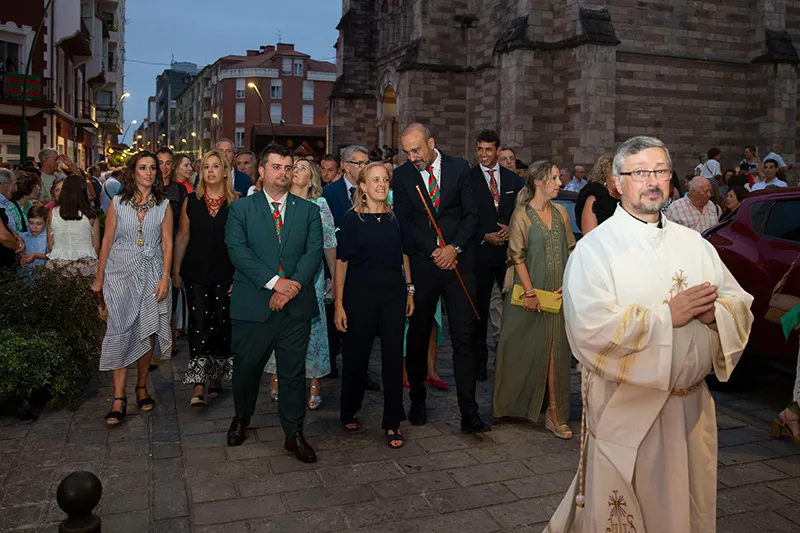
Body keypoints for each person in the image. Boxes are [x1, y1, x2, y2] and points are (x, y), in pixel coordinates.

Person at [544, 135, 754, 533]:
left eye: (659, 171)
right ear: (618, 183)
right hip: (627, 405)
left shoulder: (696, 245)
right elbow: (589, 329)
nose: (652, 180)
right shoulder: (596, 250)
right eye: (639, 173)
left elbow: (738, 303)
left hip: (690, 410)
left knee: (685, 511)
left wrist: (715, 316)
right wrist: (665, 317)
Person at [224, 144, 322, 464]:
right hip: (253, 306)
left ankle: (293, 434)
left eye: (288, 167)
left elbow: (313, 254)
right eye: (277, 167)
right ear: (262, 171)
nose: (284, 173)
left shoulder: (308, 210)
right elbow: (239, 252)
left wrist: (289, 289)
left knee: (293, 373)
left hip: (295, 307)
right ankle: (242, 416)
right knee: (247, 369)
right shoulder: (241, 209)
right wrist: (274, 283)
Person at [393, 122, 489, 433]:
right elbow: (406, 222)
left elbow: (471, 215)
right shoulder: (403, 175)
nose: (412, 157)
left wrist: (455, 248)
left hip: (460, 265)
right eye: (407, 152)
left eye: (417, 150)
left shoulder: (461, 168)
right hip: (425, 265)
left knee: (464, 337)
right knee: (419, 337)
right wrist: (433, 251)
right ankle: (418, 400)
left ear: (431, 142)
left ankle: (469, 412)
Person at [91, 151, 173, 425]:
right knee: (118, 329)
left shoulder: (164, 205)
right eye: (143, 168)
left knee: (146, 329)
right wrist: (100, 277)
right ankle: (118, 397)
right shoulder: (117, 203)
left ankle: (141, 387)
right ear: (133, 171)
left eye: (152, 168)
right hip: (120, 273)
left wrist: (165, 277)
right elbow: (106, 240)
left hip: (152, 272)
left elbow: (168, 244)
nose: (149, 172)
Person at [493, 160, 575, 438]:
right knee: (522, 350)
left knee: (556, 351)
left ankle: (555, 413)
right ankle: (514, 404)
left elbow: (572, 249)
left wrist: (569, 283)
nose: (559, 183)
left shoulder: (563, 212)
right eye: (553, 178)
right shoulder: (522, 216)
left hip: (558, 295)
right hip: (529, 293)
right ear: (538, 181)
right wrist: (529, 293)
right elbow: (516, 257)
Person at [334, 162, 413, 447]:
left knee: (393, 358)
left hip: (393, 295)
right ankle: (348, 409)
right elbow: (341, 264)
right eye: (375, 180)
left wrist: (410, 290)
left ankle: (393, 422)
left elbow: (404, 256)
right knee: (357, 357)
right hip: (360, 296)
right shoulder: (352, 220)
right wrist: (339, 305)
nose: (382, 184)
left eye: (385, 180)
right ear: (363, 187)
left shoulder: (396, 219)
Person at [266, 158, 336, 409]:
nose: (295, 171)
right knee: (278, 324)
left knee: (313, 331)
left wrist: (335, 278)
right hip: (280, 276)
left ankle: (314, 383)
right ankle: (276, 376)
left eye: (302, 168)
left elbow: (329, 243)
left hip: (312, 279)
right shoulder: (277, 202)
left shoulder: (319, 204)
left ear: (313, 178)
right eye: (292, 167)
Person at [172, 150, 236, 407]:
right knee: (199, 323)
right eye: (206, 166)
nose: (210, 171)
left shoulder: (237, 203)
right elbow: (182, 236)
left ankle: (216, 376)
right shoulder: (192, 200)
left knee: (221, 323)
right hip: (195, 271)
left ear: (225, 172)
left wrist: (239, 275)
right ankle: (198, 381)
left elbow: (241, 244)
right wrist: (176, 270)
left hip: (225, 272)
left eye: (216, 166)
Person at [321, 145, 380, 390]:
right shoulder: (328, 194)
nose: (364, 167)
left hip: (365, 268)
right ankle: (331, 363)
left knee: (362, 323)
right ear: (345, 166)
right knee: (335, 316)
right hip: (337, 265)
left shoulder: (373, 193)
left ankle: (360, 371)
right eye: (359, 163)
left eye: (367, 163)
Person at [469, 129, 523, 381]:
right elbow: (465, 215)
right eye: (479, 149)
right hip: (479, 255)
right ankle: (479, 362)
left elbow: (522, 212)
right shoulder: (468, 178)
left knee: (513, 309)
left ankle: (510, 360)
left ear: (498, 150)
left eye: (488, 149)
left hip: (508, 255)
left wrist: (511, 228)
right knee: (478, 312)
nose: (483, 154)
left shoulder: (513, 180)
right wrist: (484, 234)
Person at [46, 174, 100, 276]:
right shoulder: (91, 215)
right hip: (86, 265)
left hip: (58, 265)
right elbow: (96, 247)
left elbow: (50, 245)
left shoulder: (52, 213)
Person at [575, 153, 620, 234]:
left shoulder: (627, 198)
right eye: (615, 175)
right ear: (605, 174)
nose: (619, 178)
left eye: (622, 174)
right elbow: (589, 236)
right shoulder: (595, 197)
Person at [19, 205, 49, 271]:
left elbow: (52, 255)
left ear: (46, 223)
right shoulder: (22, 237)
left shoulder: (49, 238)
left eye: (39, 224)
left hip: (42, 276)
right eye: (31, 223)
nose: (34, 227)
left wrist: (36, 256)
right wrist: (21, 261)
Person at [0, 168, 18, 234]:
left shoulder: (5, 202)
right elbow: (3, 237)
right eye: (13, 185)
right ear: (4, 185)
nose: (15, 189)